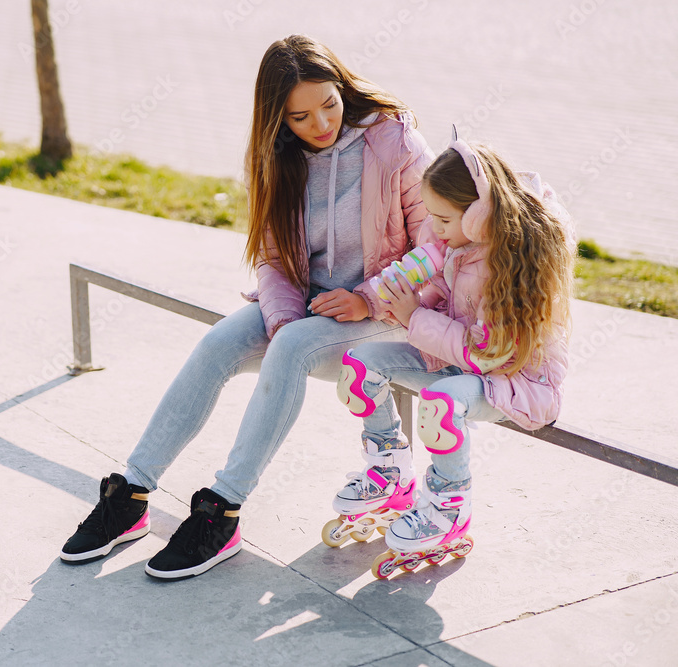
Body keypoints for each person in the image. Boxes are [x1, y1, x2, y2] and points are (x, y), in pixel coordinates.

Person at [60, 34, 436, 579]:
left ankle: (224, 509)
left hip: (387, 311)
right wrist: (282, 320)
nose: (321, 124)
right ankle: (132, 494)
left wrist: (366, 298)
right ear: (278, 118)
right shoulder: (274, 157)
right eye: (300, 117)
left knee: (293, 344)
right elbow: (274, 256)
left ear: (343, 88)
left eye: (329, 104)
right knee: (218, 343)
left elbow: (434, 248)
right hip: (307, 307)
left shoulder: (395, 142)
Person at [331, 132, 575, 578]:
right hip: (459, 362)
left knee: (440, 404)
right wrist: (404, 301)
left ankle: (449, 505)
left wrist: (415, 317)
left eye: (443, 219)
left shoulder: (512, 265)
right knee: (360, 366)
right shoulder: (458, 246)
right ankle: (389, 472)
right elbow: (444, 303)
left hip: (515, 380)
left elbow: (490, 354)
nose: (435, 229)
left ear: (480, 215)